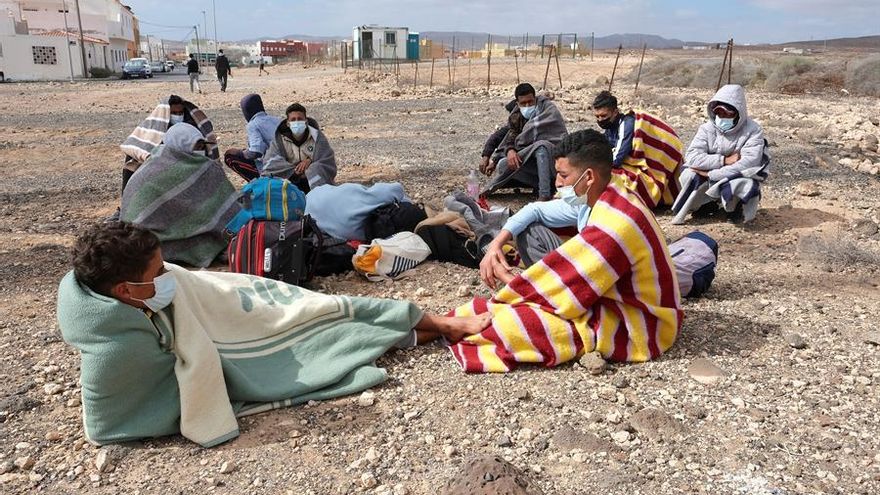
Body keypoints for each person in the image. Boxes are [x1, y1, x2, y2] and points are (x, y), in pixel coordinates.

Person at [57, 222, 490, 447]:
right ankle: (434, 325)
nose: (168, 275)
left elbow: (204, 289)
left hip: (234, 304)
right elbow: (110, 424)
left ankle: (430, 321)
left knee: (321, 308)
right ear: (123, 291)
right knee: (342, 335)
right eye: (157, 273)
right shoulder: (111, 344)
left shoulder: (147, 289)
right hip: (238, 346)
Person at [449, 129, 682, 373]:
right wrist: (496, 245)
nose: (558, 183)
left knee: (506, 326)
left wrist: (509, 279)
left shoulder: (614, 224)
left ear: (588, 177)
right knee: (514, 297)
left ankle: (440, 325)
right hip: (611, 293)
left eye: (563, 175)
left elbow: (574, 287)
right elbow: (536, 211)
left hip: (640, 322)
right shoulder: (604, 195)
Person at [121, 123, 240, 268]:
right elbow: (232, 215)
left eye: (202, 147)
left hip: (138, 247)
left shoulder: (149, 166)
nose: (200, 152)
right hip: (150, 244)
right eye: (196, 147)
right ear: (178, 144)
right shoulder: (149, 175)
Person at [671, 84, 770, 224]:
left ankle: (734, 209)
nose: (722, 117)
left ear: (738, 113)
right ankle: (704, 206)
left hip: (728, 173)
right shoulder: (707, 129)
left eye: (727, 114)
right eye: (719, 113)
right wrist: (724, 160)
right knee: (689, 175)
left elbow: (749, 162)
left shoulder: (752, 130)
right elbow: (692, 156)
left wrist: (712, 174)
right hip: (712, 169)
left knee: (745, 182)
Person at [592, 90, 684, 209]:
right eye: (597, 116)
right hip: (632, 167)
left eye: (604, 116)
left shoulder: (626, 124)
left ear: (615, 112)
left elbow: (618, 157)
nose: (600, 120)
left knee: (605, 174)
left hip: (648, 171)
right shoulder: (610, 127)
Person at [482, 84, 568, 201]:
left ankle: (544, 195)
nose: (527, 106)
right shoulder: (517, 117)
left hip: (554, 163)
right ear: (517, 104)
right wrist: (509, 151)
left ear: (536, 99)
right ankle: (541, 185)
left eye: (530, 102)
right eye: (523, 103)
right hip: (534, 164)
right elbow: (507, 136)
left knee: (542, 146)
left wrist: (514, 148)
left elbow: (558, 139)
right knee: (503, 164)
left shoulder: (548, 110)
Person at [119, 95, 218, 192]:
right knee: (130, 163)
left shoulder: (191, 127)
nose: (178, 116)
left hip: (186, 165)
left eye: (180, 113)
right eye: (174, 113)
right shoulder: (156, 128)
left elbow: (201, 152)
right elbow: (136, 146)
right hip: (162, 164)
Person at [262, 103, 337, 193]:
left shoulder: (317, 137)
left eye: (300, 119)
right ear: (288, 123)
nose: (296, 122)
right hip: (289, 181)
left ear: (306, 121)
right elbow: (270, 163)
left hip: (312, 182)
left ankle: (318, 198)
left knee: (316, 167)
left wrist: (310, 161)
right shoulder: (279, 140)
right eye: (293, 120)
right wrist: (294, 171)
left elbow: (327, 161)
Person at [223, 94, 283, 181]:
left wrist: (239, 153)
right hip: (288, 165)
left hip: (272, 171)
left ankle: (258, 184)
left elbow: (256, 152)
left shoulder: (253, 124)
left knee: (230, 157)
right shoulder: (277, 120)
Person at [478, 100, 516, 175]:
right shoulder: (512, 127)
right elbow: (495, 138)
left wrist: (495, 162)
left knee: (503, 165)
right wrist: (486, 156)